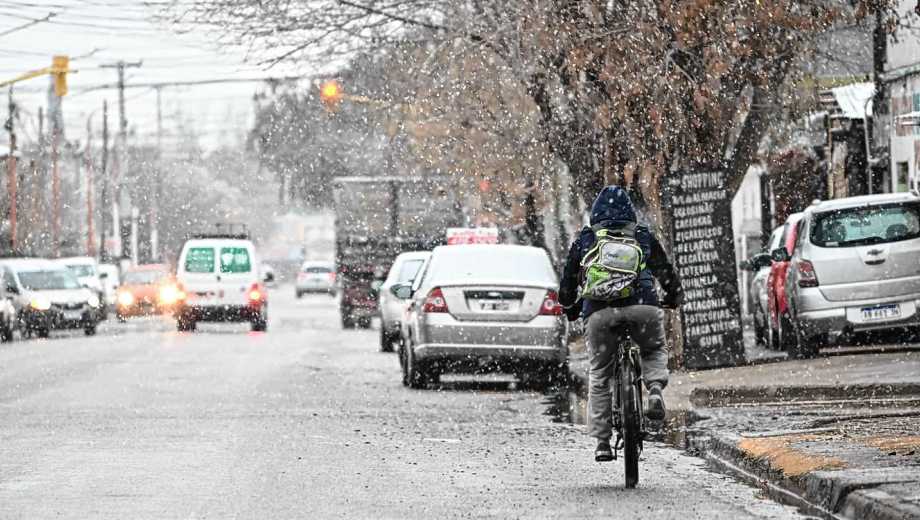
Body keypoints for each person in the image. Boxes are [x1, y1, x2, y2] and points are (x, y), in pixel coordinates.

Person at [558, 186, 683, 462]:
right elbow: (666, 272)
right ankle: (653, 390)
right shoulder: (641, 235)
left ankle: (602, 442)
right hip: (643, 307)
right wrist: (674, 295)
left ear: (595, 215)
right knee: (652, 349)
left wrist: (570, 307)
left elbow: (567, 285)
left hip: (600, 314)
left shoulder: (586, 239)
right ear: (631, 213)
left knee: (600, 373)